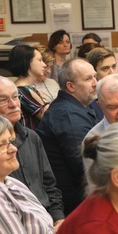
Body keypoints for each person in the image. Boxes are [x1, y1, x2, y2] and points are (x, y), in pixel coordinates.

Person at [0, 75, 65, 229]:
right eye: (3, 100)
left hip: (47, 222)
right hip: (12, 226)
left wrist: (58, 219)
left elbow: (49, 185)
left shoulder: (32, 137)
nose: (14, 104)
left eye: (15, 97)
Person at [37, 58, 98, 216]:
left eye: (94, 77)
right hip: (76, 207)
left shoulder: (74, 108)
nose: (95, 83)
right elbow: (86, 165)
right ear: (70, 86)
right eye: (88, 79)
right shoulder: (68, 115)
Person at [9, 44, 50, 129]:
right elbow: (49, 117)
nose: (44, 65)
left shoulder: (29, 87)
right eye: (40, 60)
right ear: (27, 62)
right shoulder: (23, 90)